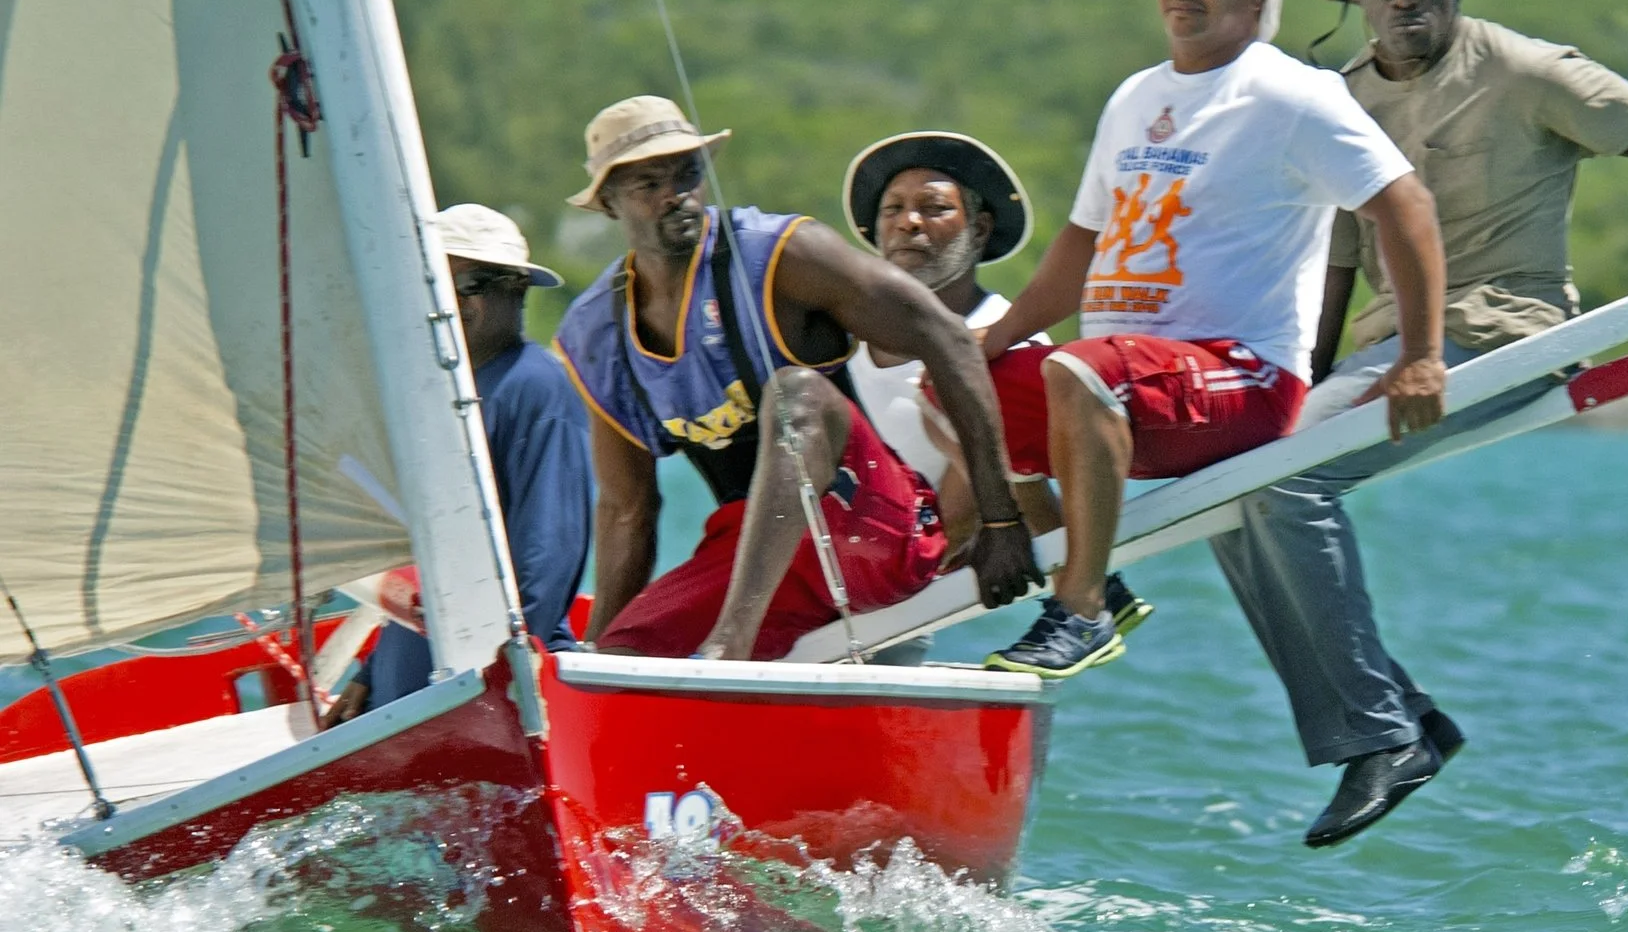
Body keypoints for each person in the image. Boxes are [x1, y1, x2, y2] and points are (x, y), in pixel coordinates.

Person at [1212, 0, 1628, 849]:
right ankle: (1403, 714)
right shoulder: (1343, 100)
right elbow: (1340, 260)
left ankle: (1379, 734)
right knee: (1230, 489)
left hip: (1503, 332)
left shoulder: (1526, 69)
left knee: (1285, 481)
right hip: (1387, 346)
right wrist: (1295, 386)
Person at [973, 0, 1450, 680]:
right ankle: (1085, 569)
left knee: (1083, 370)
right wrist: (991, 340)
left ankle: (1080, 609)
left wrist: (1422, 355)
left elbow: (1408, 207)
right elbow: (1083, 244)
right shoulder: (1135, 97)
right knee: (955, 384)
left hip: (1243, 379)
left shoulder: (1290, 93)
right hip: (1124, 391)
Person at [554, 96, 1036, 662]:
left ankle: (730, 650)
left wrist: (1001, 520)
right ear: (609, 203)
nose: (675, 195)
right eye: (648, 184)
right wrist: (593, 662)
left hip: (880, 534)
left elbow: (950, 341)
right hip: (761, 560)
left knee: (797, 393)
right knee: (619, 654)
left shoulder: (781, 254)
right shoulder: (598, 332)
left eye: (686, 174)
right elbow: (627, 510)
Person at [841, 129, 1150, 637]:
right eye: (892, 208)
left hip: (909, 578)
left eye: (933, 208)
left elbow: (982, 495)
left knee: (960, 398)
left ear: (980, 229)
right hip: (848, 570)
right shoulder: (842, 335)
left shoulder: (1010, 340)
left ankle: (1089, 596)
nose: (907, 222)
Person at [329, 205, 591, 720]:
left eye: (470, 284)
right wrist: (370, 673)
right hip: (413, 682)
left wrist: (502, 689)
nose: (450, 299)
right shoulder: (440, 391)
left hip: (482, 688)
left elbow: (546, 557)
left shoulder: (536, 387)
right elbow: (429, 564)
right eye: (435, 282)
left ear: (516, 289)